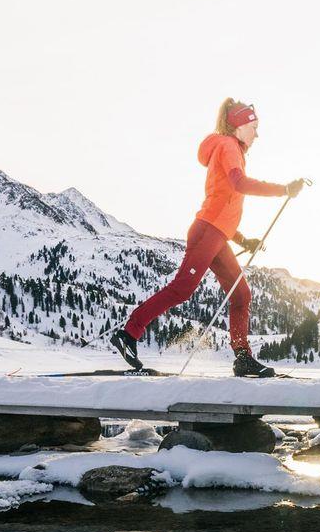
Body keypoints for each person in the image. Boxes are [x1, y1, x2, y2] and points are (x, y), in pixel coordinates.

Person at [112, 98, 306, 377]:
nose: (257, 134)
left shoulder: (230, 148)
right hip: (207, 232)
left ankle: (243, 358)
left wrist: (242, 240)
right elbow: (239, 184)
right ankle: (128, 333)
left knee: (241, 293)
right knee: (182, 289)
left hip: (216, 234)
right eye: (254, 127)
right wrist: (283, 189)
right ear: (239, 126)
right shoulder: (228, 146)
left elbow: (223, 204)